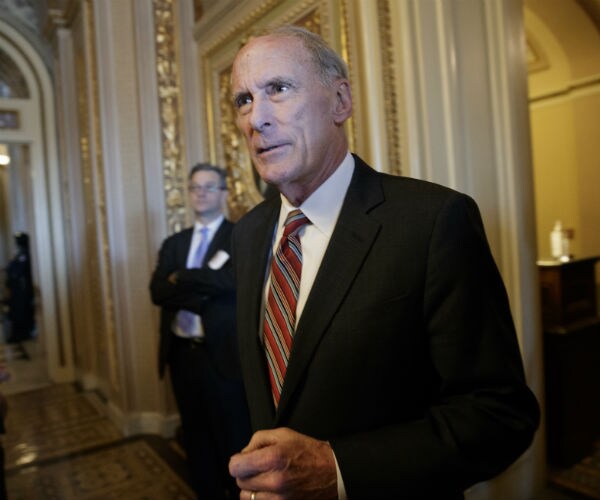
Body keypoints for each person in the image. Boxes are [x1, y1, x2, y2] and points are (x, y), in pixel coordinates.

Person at [227, 25, 540, 500]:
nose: (257, 118)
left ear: (340, 101)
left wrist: (336, 469)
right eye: (244, 100)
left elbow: (499, 415)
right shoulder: (248, 234)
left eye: (279, 89)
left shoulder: (433, 222)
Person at [150, 163, 251, 499]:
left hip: (222, 355)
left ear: (223, 193)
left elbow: (232, 283)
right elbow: (158, 292)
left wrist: (183, 277)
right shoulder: (174, 243)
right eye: (195, 187)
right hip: (182, 355)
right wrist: (204, 295)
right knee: (195, 434)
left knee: (233, 434)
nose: (201, 193)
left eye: (209, 186)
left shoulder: (239, 237)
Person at [4, 232, 35, 343]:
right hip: (18, 290)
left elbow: (17, 271)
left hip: (22, 290)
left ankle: (22, 334)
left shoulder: (24, 254)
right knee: (17, 312)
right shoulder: (21, 254)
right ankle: (18, 334)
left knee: (21, 312)